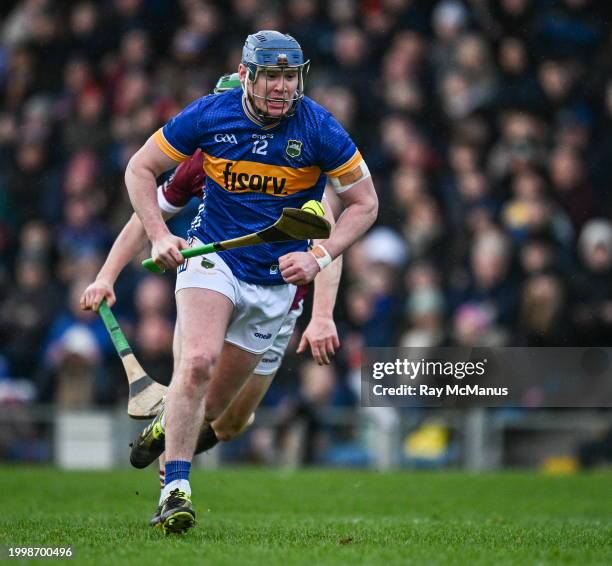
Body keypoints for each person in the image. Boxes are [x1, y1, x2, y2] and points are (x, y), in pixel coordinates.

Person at [125, 31, 378, 533]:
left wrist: (321, 257)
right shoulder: (210, 114)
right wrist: (158, 236)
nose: (283, 87)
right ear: (246, 75)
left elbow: (365, 204)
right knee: (196, 362)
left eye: (290, 76)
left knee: (216, 411)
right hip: (213, 260)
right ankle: (175, 491)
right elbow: (139, 168)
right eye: (272, 76)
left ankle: (166, 421)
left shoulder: (319, 127)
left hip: (274, 284)